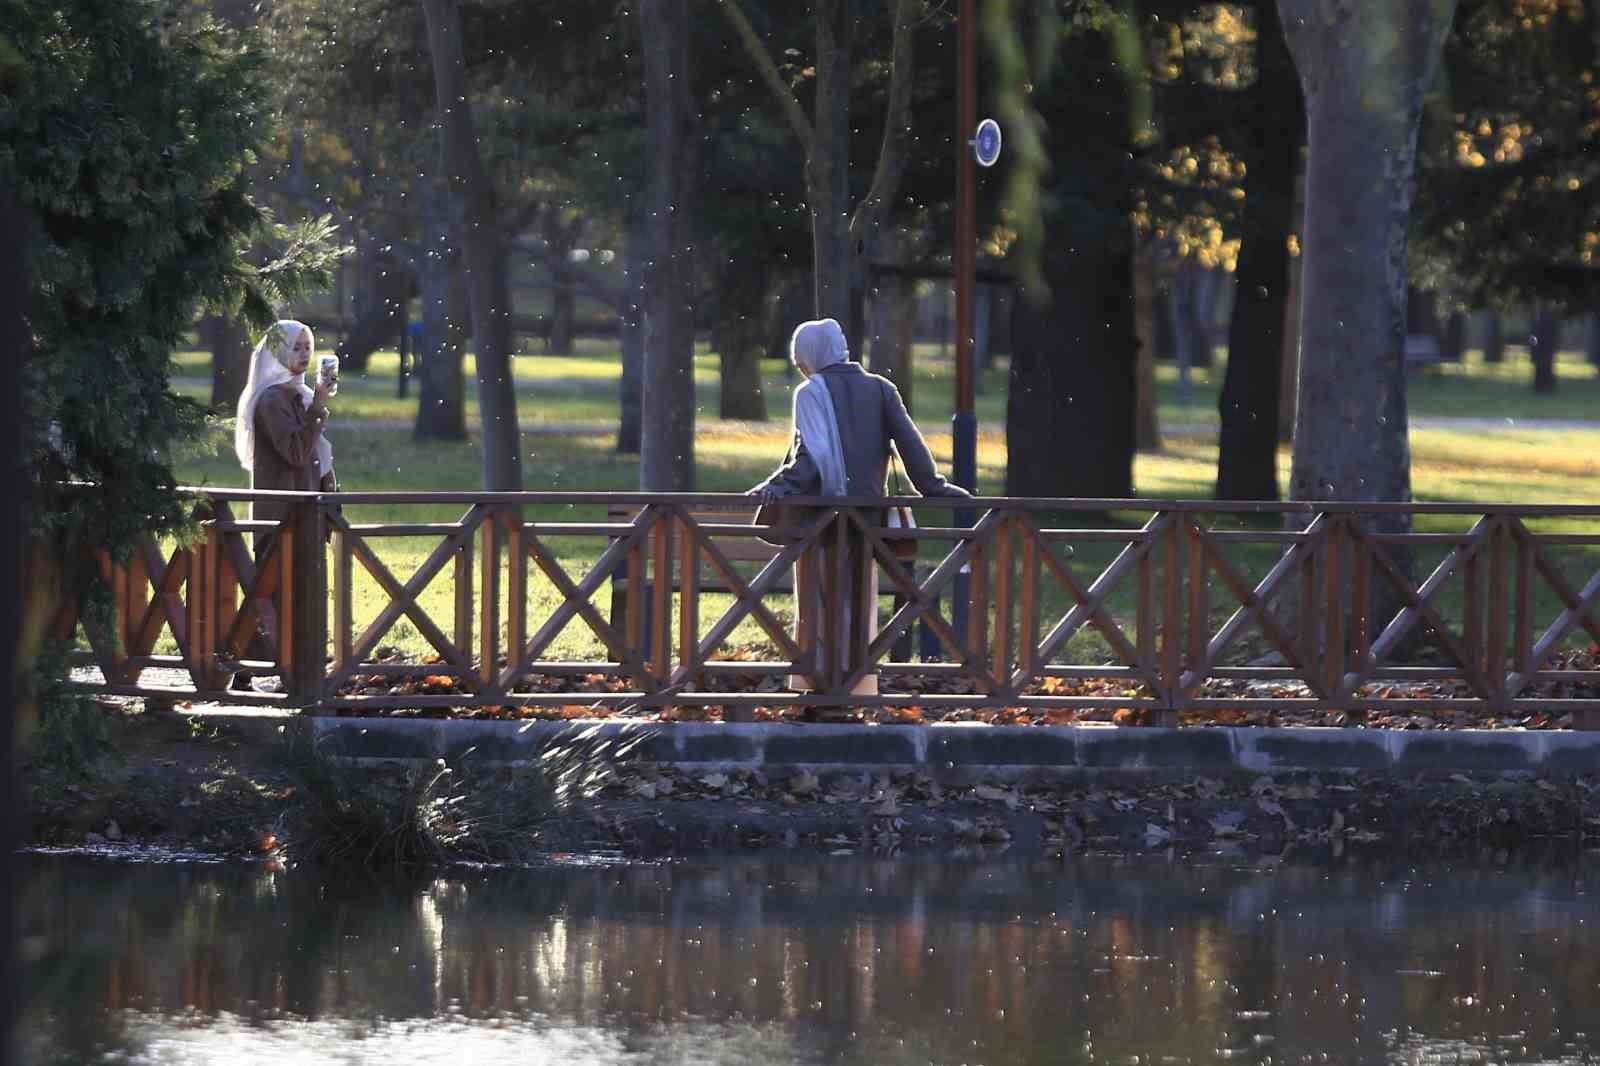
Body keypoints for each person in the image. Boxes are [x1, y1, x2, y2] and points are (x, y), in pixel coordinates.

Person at [749, 317, 969, 703]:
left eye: (801, 357)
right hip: (868, 518)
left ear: (811, 354)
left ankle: (820, 688)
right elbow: (910, 444)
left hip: (822, 519)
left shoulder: (810, 392)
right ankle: (855, 685)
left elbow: (810, 460)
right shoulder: (881, 388)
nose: (801, 365)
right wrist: (934, 487)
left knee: (821, 603)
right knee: (858, 602)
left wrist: (777, 487)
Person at [230, 319, 337, 690]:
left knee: (301, 591)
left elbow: (319, 460)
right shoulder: (272, 400)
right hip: (280, 513)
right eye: (296, 348)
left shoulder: (301, 396)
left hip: (307, 512)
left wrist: (331, 502)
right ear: (278, 352)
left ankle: (299, 672)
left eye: (308, 347)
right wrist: (318, 409)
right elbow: (295, 451)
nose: (305, 355)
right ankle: (242, 667)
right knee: (270, 594)